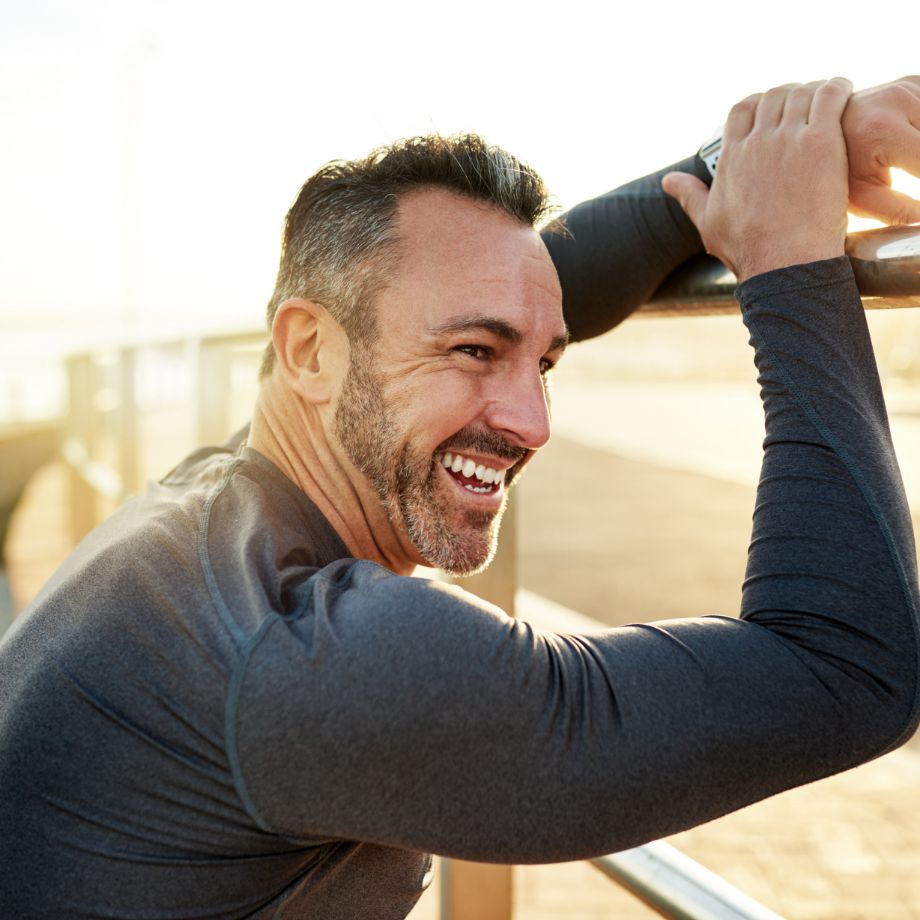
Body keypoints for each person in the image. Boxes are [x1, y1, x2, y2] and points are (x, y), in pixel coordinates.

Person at [0, 77, 918, 919]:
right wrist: (792, 270)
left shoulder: (212, 511)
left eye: (544, 361)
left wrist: (761, 159)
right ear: (311, 348)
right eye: (476, 353)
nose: (533, 422)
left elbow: (522, 282)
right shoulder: (315, 659)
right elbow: (850, 667)